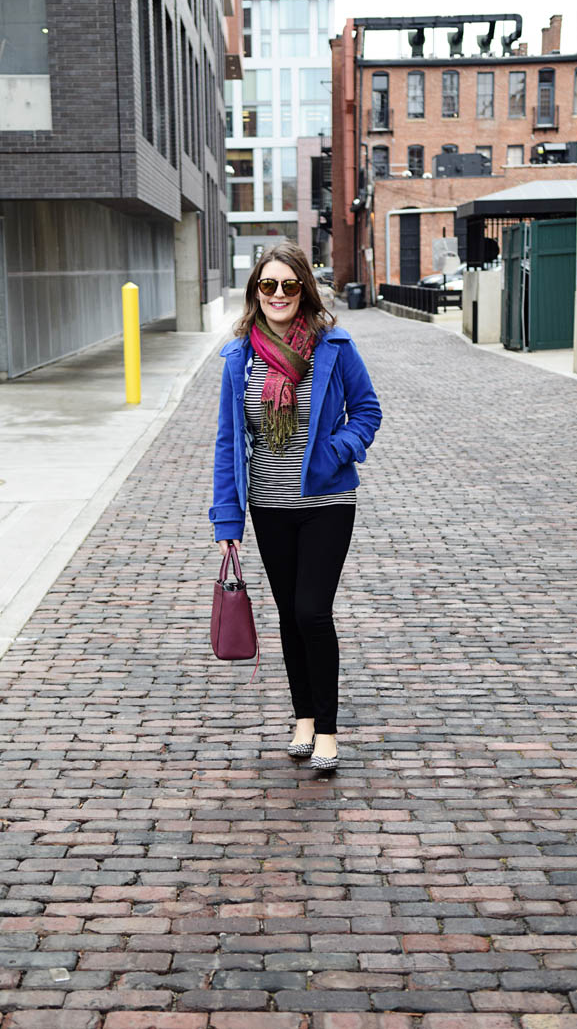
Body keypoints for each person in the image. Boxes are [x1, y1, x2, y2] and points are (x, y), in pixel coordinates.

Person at [209, 241, 382, 771]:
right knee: (288, 614)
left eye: (288, 285)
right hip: (268, 503)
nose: (278, 295)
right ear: (255, 293)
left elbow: (368, 412)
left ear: (303, 288)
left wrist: (335, 450)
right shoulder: (239, 357)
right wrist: (227, 517)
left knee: (312, 610)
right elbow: (226, 441)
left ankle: (327, 729)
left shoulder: (333, 344)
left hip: (327, 499)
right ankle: (302, 717)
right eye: (268, 286)